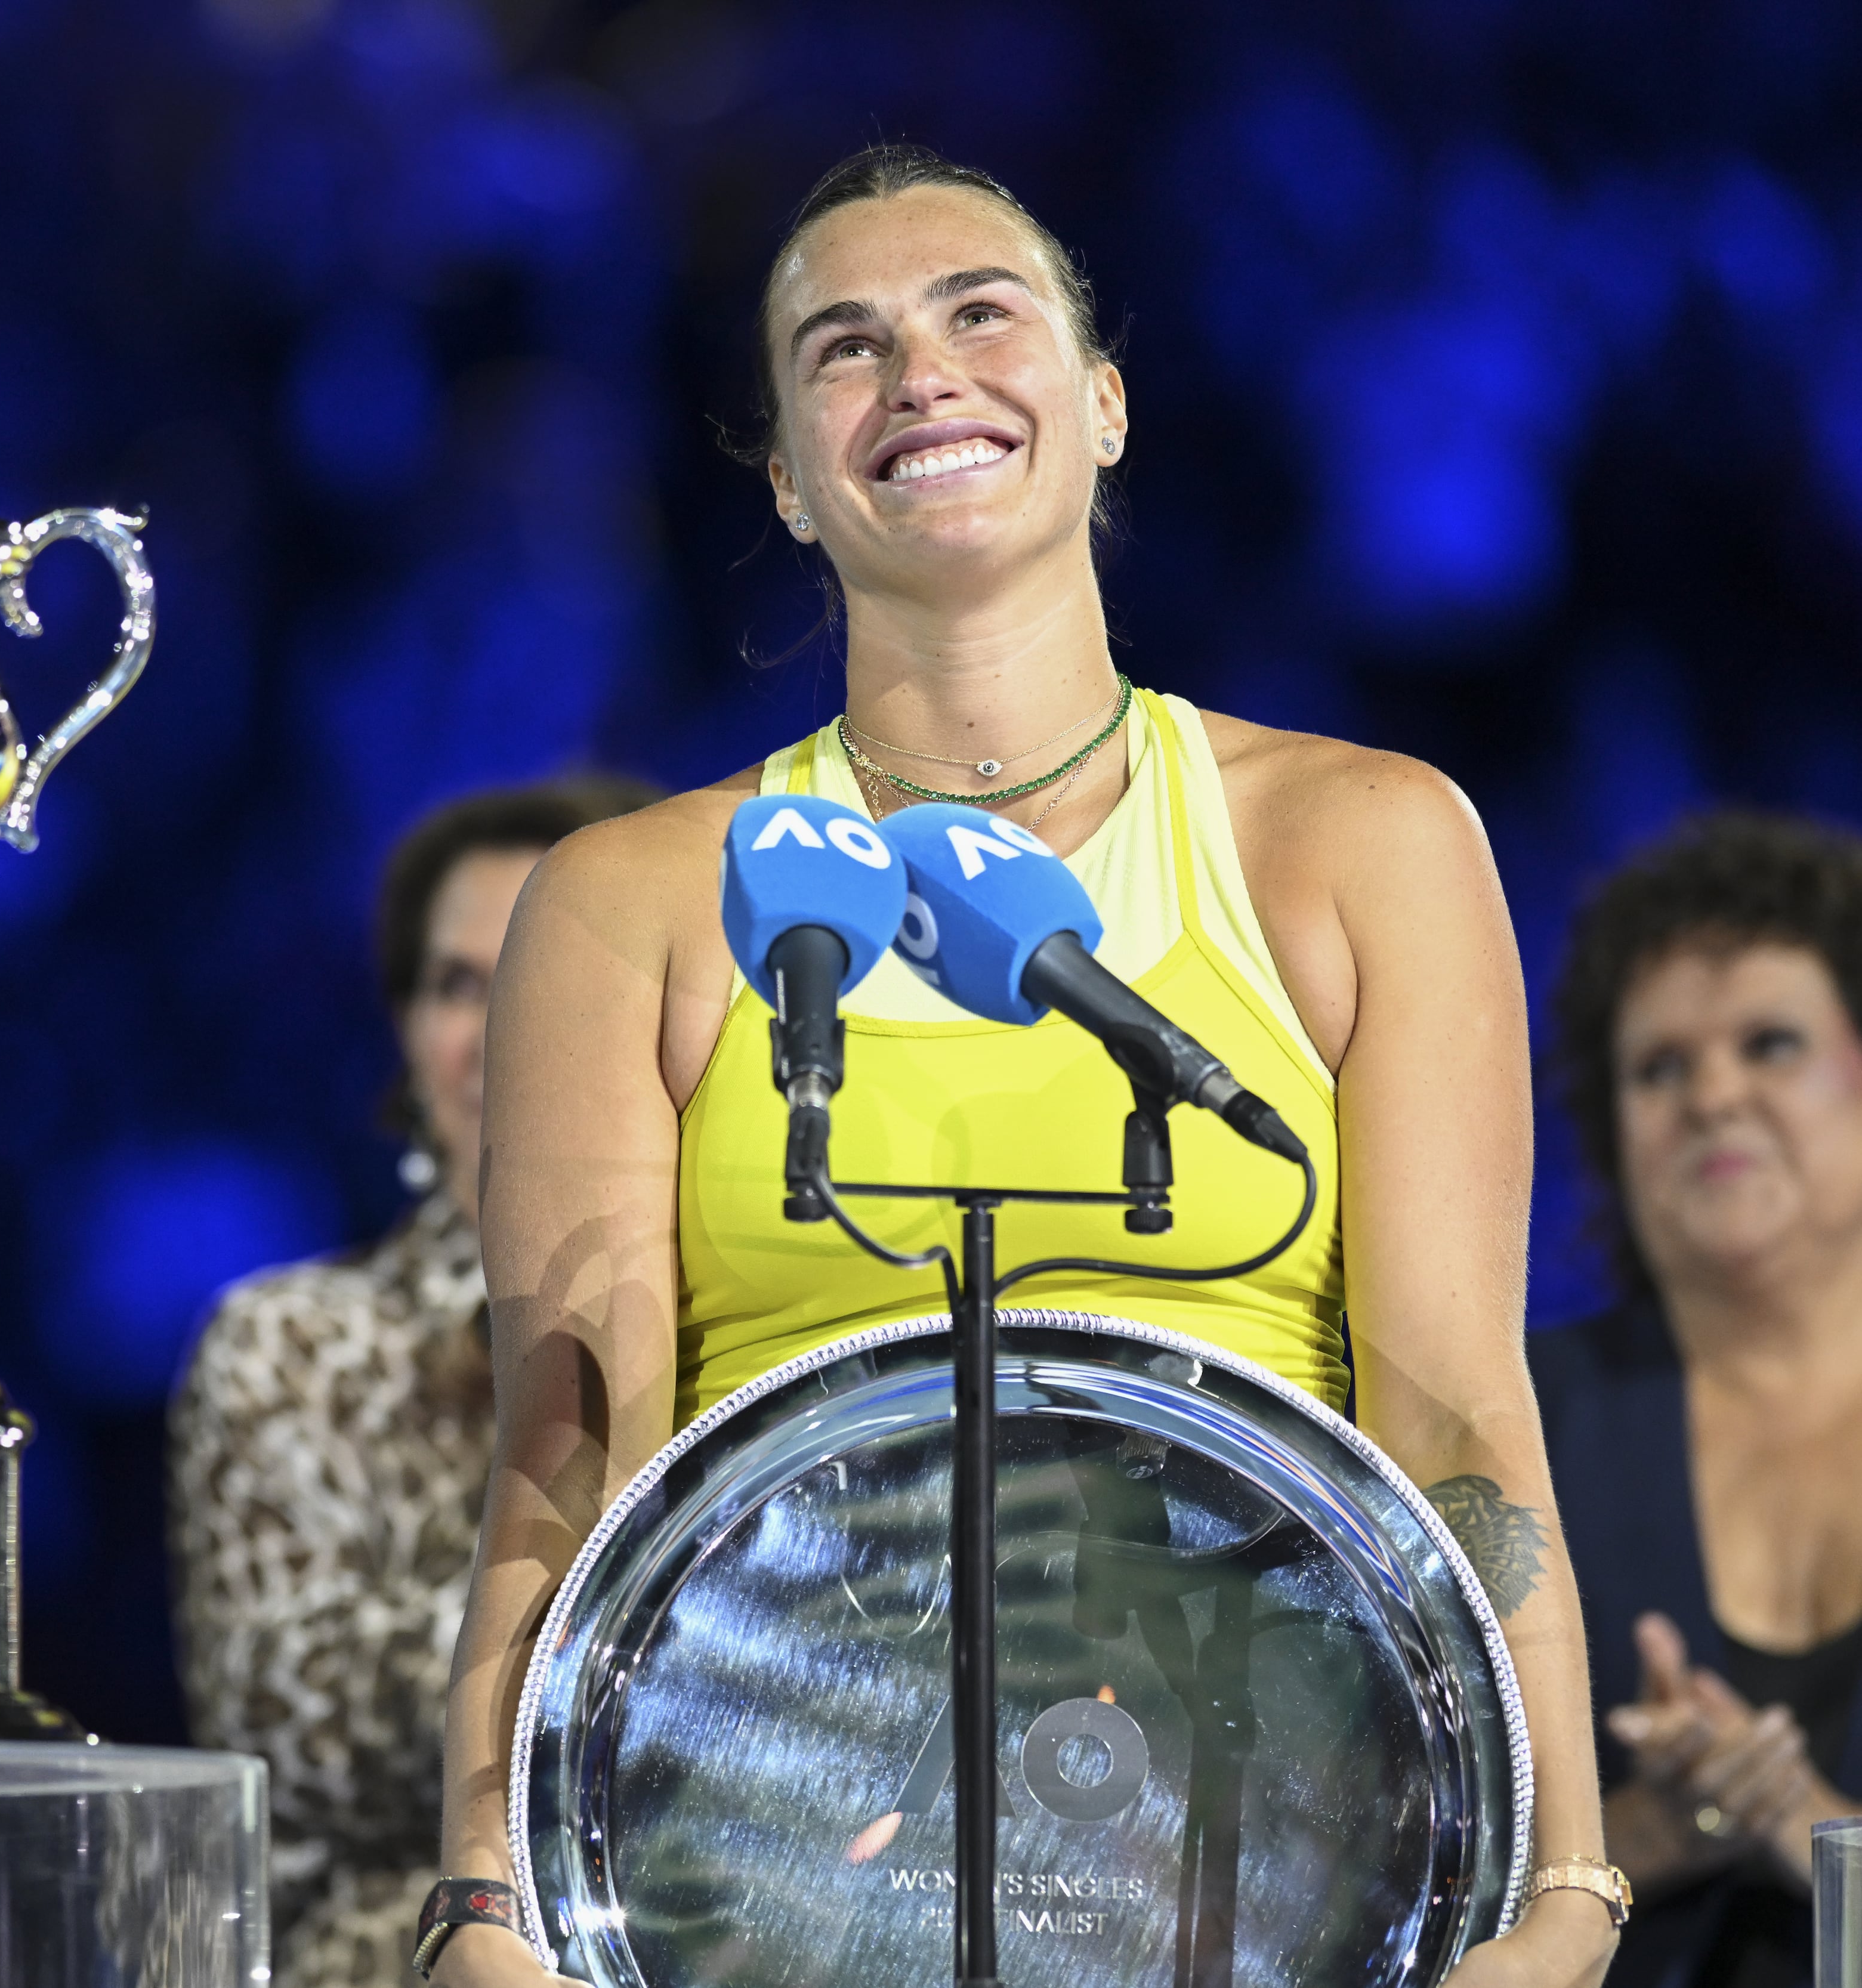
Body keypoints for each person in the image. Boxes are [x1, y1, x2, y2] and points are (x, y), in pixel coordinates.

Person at [424, 143, 1619, 1987]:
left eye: (981, 311)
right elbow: (568, 1463)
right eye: (845, 346)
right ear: (791, 487)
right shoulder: (627, 902)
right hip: (779, 1877)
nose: (921, 373)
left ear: (1106, 405)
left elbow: (1458, 1409)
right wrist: (489, 1904)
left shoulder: (1361, 843)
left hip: (1262, 1863)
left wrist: (1566, 1892)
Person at [1531, 810, 1862, 1988]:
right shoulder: (1514, 1422)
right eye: (1657, 1067)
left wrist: (1834, 1835)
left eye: (1769, 1043)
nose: (1710, 1093)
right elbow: (1376, 1860)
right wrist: (1669, 1824)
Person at [169, 775, 658, 1988]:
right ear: (402, 1032)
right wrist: (667, 1658)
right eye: (456, 985)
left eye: (546, 974)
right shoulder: (288, 1343)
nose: (498, 1029)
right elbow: (296, 1718)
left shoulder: (757, 1333)